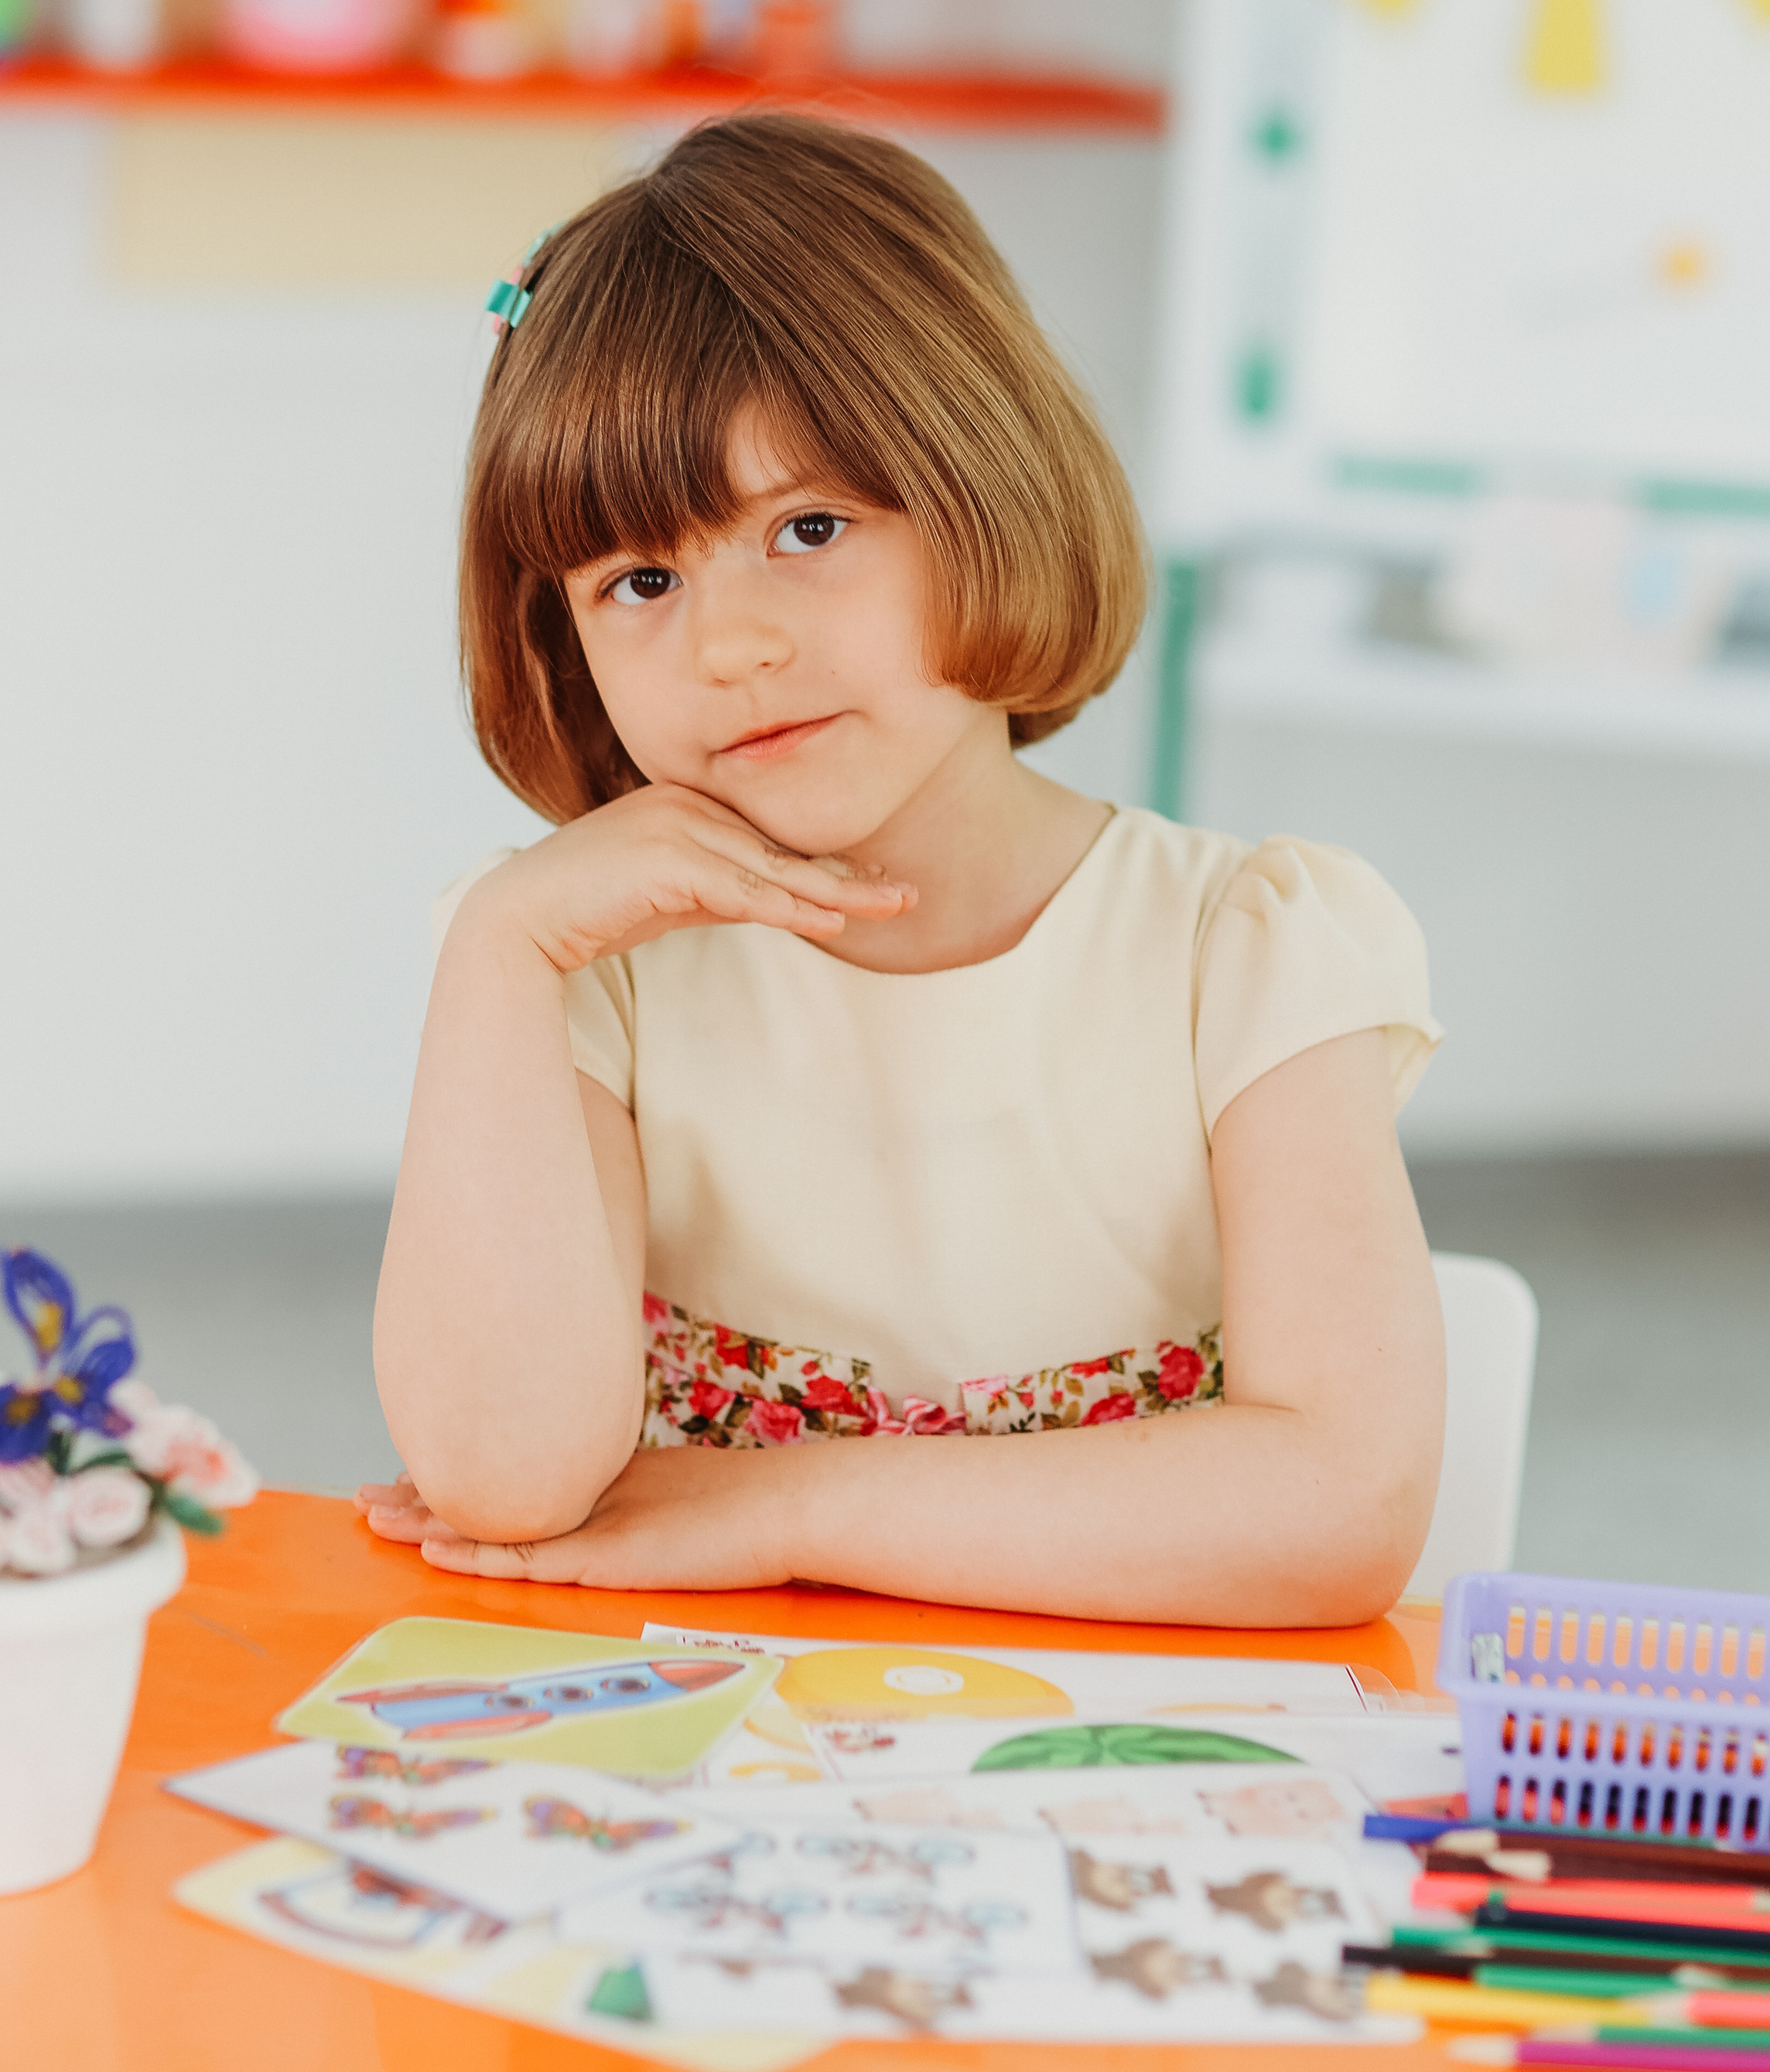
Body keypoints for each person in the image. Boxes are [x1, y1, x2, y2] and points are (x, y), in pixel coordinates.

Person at [360, 112, 1445, 1622]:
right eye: (641, 579)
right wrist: (500, 950)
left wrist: (792, 1502)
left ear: (986, 486)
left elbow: (1343, 1511)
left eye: (809, 527)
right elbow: (500, 1481)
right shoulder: (577, 968)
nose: (731, 645)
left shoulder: (1243, 949)